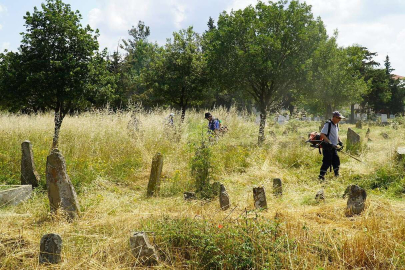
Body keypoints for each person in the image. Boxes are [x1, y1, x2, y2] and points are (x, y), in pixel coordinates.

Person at [318, 111, 345, 181]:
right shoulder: (328, 124)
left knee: (336, 160)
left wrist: (340, 141)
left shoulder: (336, 125)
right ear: (334, 117)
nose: (339, 119)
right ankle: (321, 177)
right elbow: (322, 134)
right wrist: (330, 142)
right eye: (338, 118)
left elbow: (336, 134)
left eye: (340, 118)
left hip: (334, 147)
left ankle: (336, 174)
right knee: (327, 161)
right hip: (328, 147)